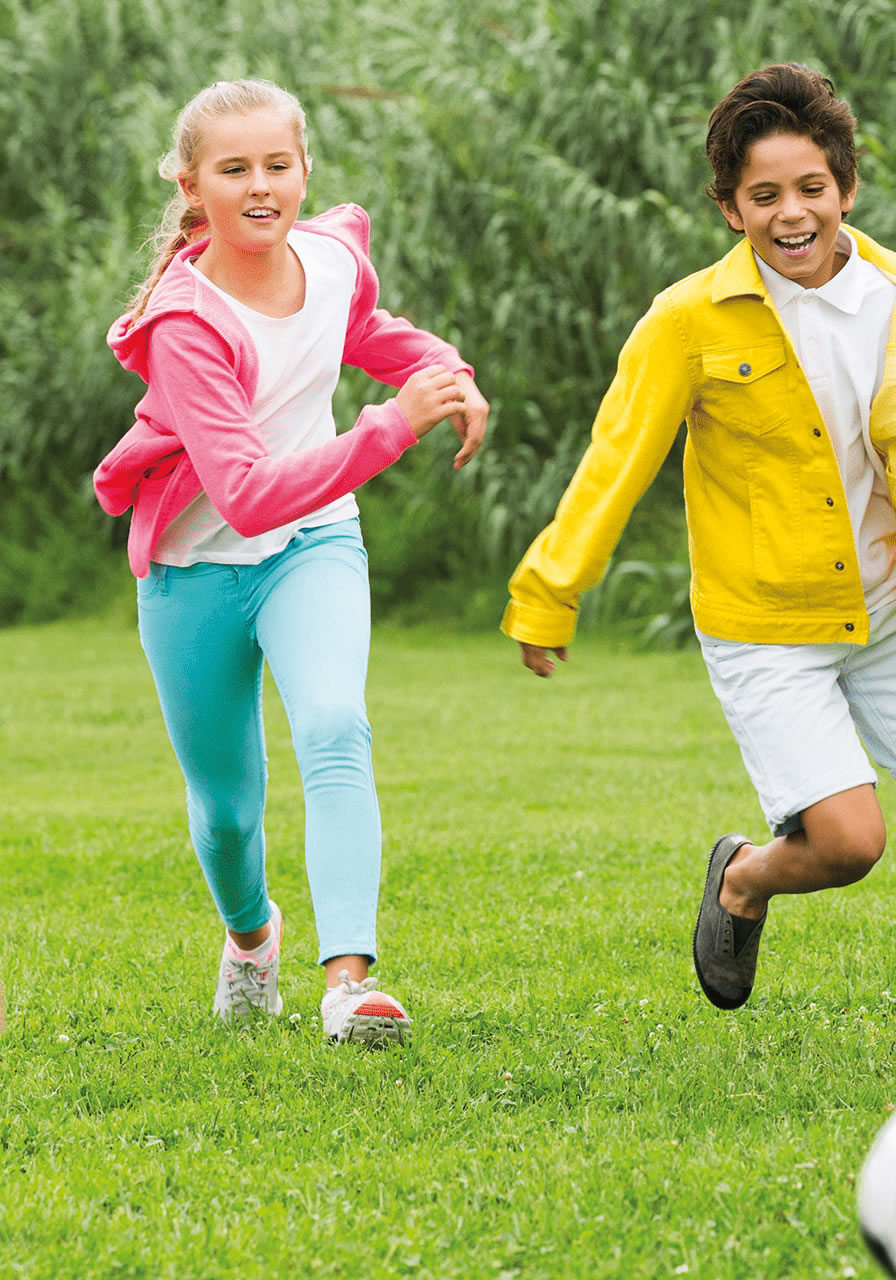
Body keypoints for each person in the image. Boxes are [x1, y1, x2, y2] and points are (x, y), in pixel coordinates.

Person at [503, 64, 896, 1052]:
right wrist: (548, 595)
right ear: (730, 205)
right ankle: (744, 874)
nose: (793, 213)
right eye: (765, 195)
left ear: (846, 188)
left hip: (890, 607)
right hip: (764, 623)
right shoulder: (689, 320)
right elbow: (618, 459)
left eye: (811, 188)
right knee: (849, 843)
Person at [94, 78, 488, 1045]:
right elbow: (246, 491)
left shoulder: (331, 256)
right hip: (196, 570)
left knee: (333, 722)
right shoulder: (185, 324)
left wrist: (447, 373)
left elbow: (366, 336)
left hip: (312, 545)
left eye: (279, 165)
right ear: (194, 186)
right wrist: (393, 428)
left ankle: (350, 984)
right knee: (228, 812)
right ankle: (251, 939)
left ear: (305, 169)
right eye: (235, 170)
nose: (261, 186)